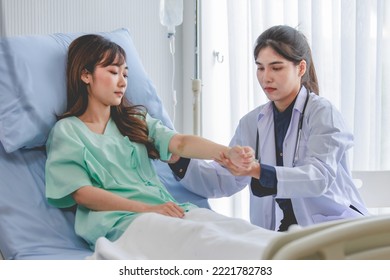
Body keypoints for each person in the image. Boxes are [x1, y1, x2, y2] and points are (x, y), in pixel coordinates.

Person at [45, 34, 281, 259]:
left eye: (125, 74)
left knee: (234, 229)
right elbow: (83, 194)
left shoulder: (134, 121)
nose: (122, 82)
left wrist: (226, 152)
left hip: (169, 210)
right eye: (113, 71)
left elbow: (180, 142)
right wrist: (147, 209)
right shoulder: (68, 131)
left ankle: (299, 256)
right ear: (86, 75)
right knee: (207, 240)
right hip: (123, 222)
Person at [169, 25, 369, 231]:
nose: (266, 77)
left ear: (300, 68)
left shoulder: (322, 113)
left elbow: (318, 177)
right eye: (260, 67)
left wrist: (256, 170)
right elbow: (223, 179)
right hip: (280, 234)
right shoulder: (252, 122)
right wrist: (178, 160)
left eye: (276, 67)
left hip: (333, 229)